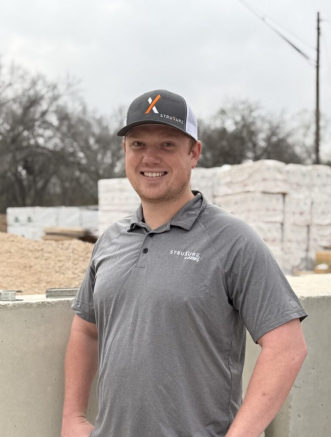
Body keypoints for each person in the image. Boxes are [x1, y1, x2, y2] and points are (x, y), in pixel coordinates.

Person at [61, 89, 308, 437]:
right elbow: (85, 330)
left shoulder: (233, 240)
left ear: (194, 153)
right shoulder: (110, 241)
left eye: (167, 145)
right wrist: (72, 419)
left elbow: (287, 346)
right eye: (138, 145)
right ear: (124, 151)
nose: (149, 158)